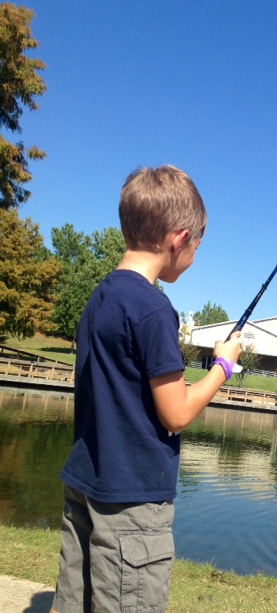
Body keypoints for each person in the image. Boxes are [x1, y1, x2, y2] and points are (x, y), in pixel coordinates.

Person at [50, 165, 241, 613]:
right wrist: (223, 367)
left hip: (86, 482)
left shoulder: (99, 298)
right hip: (131, 501)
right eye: (197, 244)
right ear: (179, 238)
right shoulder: (154, 309)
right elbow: (175, 414)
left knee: (70, 603)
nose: (195, 255)